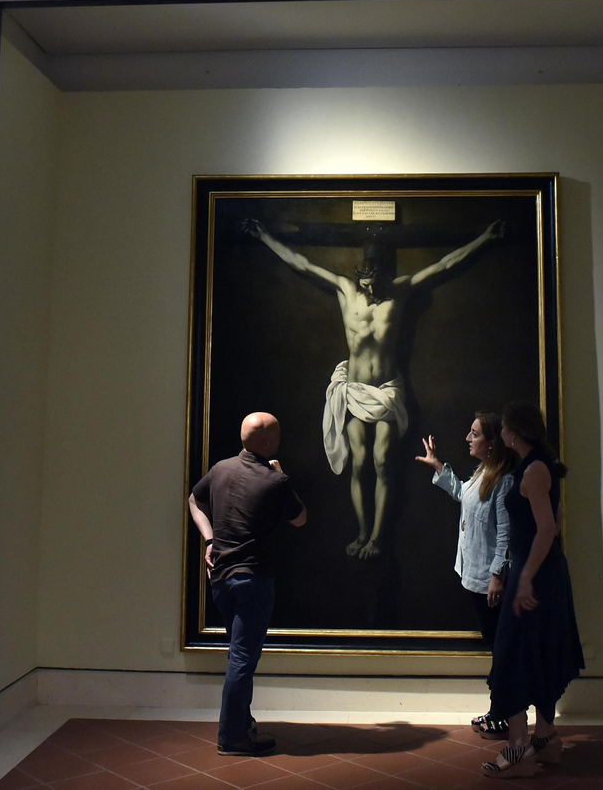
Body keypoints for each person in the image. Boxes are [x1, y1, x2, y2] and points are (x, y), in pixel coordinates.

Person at [243, 218, 504, 558]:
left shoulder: (400, 290)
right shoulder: (343, 289)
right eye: (364, 283)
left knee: (382, 460)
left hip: (385, 391)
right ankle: (362, 531)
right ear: (357, 278)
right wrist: (264, 235)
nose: (370, 290)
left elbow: (444, 264)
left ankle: (377, 538)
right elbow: (301, 263)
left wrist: (484, 236)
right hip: (353, 392)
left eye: (374, 283)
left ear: (382, 276)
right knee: (359, 460)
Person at [187, 411, 308, 756]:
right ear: (268, 443)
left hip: (221, 580)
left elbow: (194, 500)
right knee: (242, 658)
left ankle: (242, 724)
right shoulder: (275, 481)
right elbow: (300, 518)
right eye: (278, 434)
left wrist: (210, 541)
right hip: (253, 580)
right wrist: (281, 475)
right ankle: (231, 736)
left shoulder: (220, 469)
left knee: (239, 654)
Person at [481, 401, 584, 779]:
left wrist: (524, 577)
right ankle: (544, 736)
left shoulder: (534, 470)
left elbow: (546, 528)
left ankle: (520, 744)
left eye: (504, 428)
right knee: (538, 650)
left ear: (514, 432)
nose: (501, 433)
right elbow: (555, 520)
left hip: (535, 574)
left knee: (512, 653)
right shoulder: (538, 464)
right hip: (542, 572)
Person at [414, 412, 518, 739]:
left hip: (489, 580)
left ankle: (502, 714)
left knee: (503, 651)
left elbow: (506, 534)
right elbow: (463, 494)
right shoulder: (484, 472)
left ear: (491, 443)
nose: (468, 439)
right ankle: (501, 711)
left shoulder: (504, 480)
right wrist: (438, 467)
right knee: (497, 648)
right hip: (475, 575)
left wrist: (498, 576)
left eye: (474, 434)